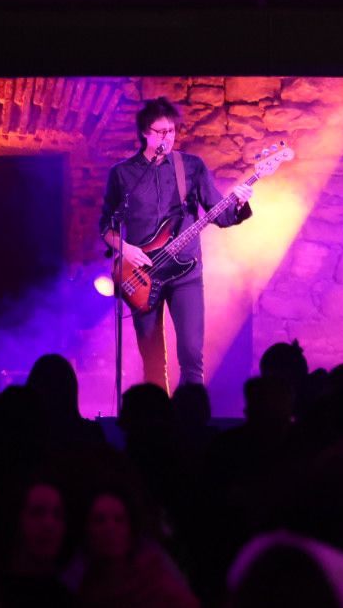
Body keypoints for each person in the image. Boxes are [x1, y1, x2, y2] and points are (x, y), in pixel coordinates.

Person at [100, 97, 254, 392]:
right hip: (140, 275)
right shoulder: (122, 174)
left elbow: (218, 215)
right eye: (159, 132)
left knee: (192, 354)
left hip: (186, 274)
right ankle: (157, 424)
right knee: (153, 360)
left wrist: (239, 204)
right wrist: (126, 249)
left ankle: (190, 419)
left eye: (171, 131)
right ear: (144, 133)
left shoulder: (191, 167)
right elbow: (105, 226)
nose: (166, 138)